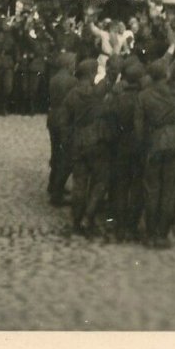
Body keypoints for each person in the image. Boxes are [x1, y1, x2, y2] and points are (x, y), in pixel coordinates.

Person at [135, 59, 175, 247]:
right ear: (166, 75)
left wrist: (143, 147)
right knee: (169, 190)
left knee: (152, 190)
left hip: (154, 142)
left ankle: (151, 234)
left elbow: (139, 128)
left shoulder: (143, 96)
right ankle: (162, 234)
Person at [62, 59, 111, 235]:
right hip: (96, 140)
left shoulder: (71, 95)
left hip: (77, 141)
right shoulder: (97, 93)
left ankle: (76, 219)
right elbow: (109, 79)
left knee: (79, 182)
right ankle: (88, 217)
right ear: (91, 74)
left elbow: (65, 123)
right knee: (100, 181)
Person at [108, 60, 147, 241]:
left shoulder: (118, 98)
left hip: (121, 145)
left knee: (121, 186)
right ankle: (132, 225)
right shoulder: (145, 98)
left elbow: (111, 122)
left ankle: (120, 225)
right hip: (140, 146)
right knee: (137, 186)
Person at [45, 52, 77, 205]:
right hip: (64, 118)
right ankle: (57, 190)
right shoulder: (72, 81)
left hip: (52, 116)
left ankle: (52, 184)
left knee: (55, 151)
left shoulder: (54, 78)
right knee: (66, 153)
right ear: (68, 64)